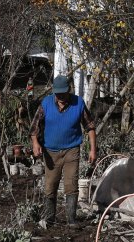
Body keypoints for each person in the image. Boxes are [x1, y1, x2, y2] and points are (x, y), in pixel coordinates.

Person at [30, 75, 97, 226]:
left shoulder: (78, 103)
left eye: (63, 93)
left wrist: (93, 150)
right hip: (50, 151)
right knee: (50, 185)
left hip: (71, 150)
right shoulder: (46, 104)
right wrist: (35, 143)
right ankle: (50, 219)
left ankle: (71, 220)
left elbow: (90, 127)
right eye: (57, 93)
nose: (60, 96)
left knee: (71, 184)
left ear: (69, 90)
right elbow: (34, 128)